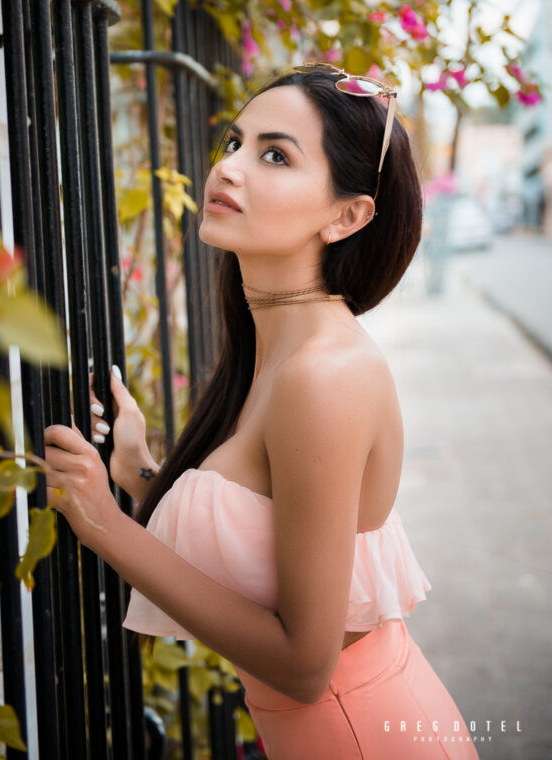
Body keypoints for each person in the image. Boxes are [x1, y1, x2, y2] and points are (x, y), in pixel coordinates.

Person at [44, 64, 480, 759]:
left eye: (275, 155)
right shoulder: (281, 346)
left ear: (346, 215)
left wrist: (103, 525)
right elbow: (266, 541)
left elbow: (304, 666)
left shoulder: (321, 376)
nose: (230, 169)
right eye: (234, 143)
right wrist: (139, 476)